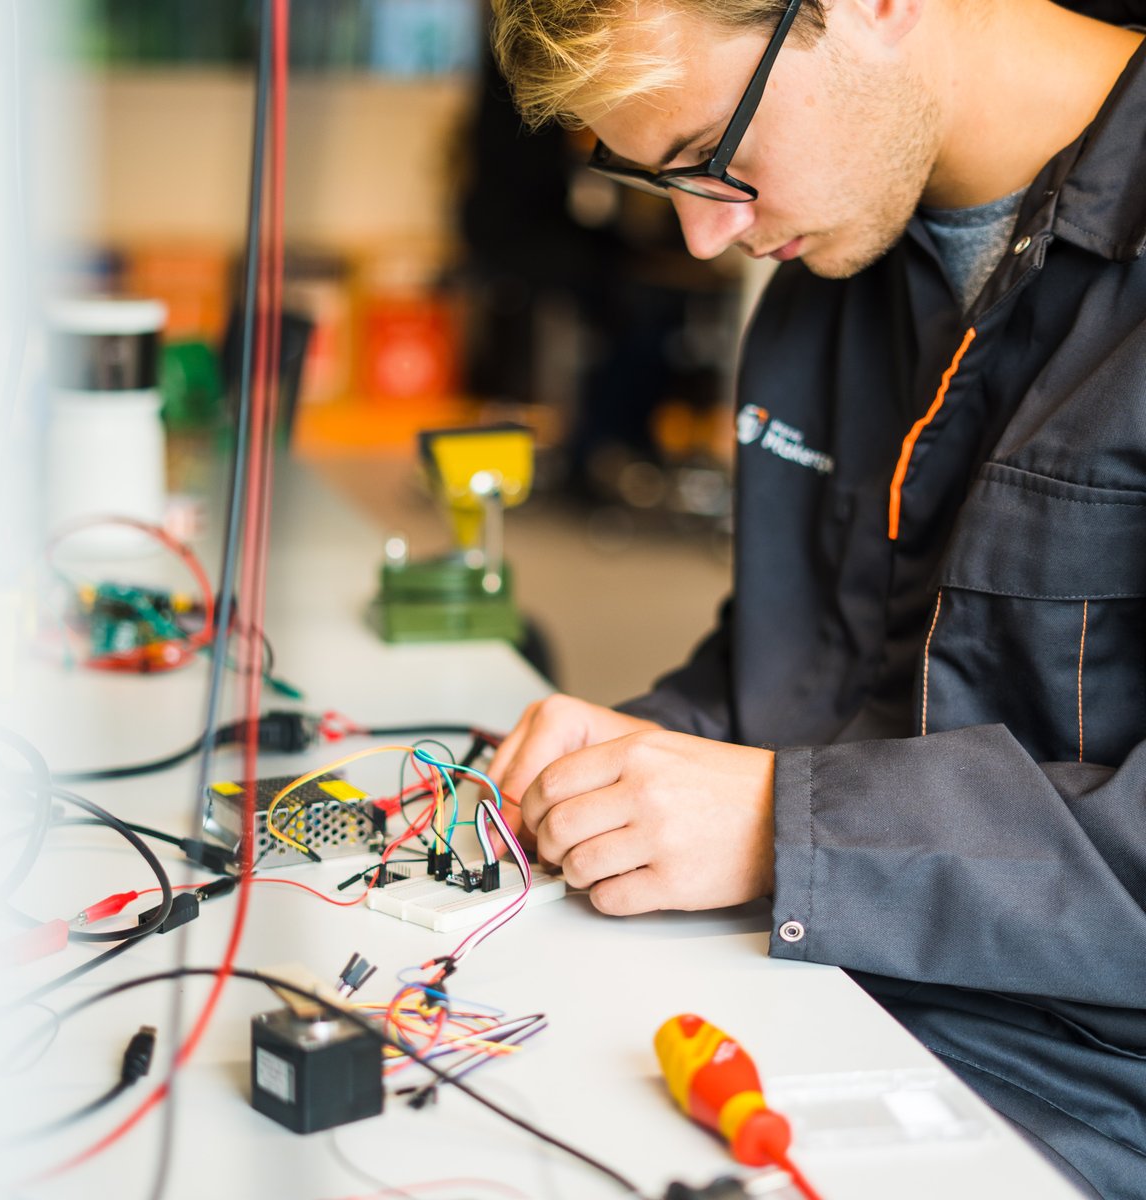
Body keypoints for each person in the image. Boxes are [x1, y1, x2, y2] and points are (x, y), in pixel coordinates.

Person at [484, 1, 1146, 1196]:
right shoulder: (840, 256)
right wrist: (641, 753)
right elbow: (819, 665)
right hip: (844, 993)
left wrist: (777, 823)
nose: (700, 238)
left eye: (708, 160)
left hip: (1092, 1086)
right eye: (656, 180)